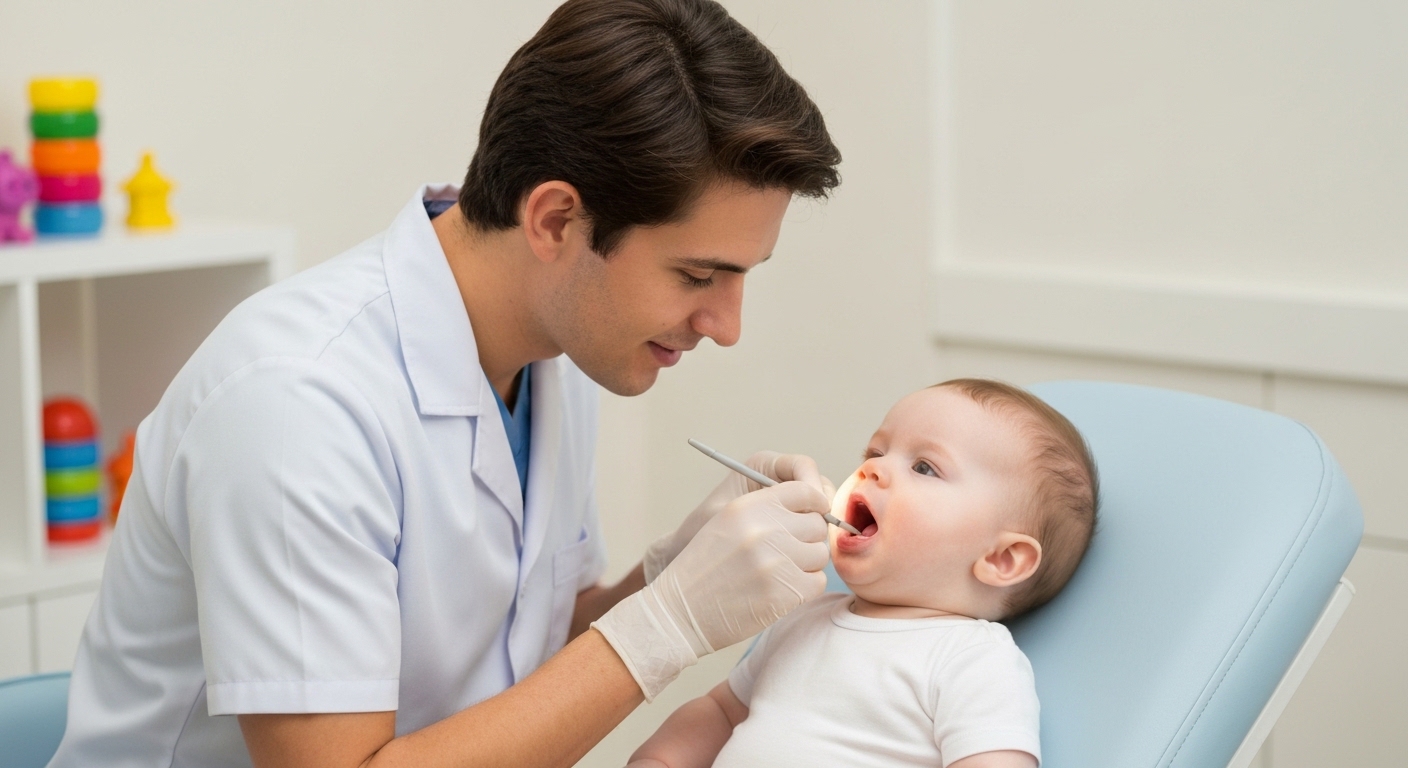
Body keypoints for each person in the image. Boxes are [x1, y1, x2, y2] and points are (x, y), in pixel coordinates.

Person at [47, 1, 844, 766]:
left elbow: (522, 652)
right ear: (557, 221)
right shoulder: (296, 403)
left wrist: (669, 575)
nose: (726, 325)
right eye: (698, 273)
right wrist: (667, 626)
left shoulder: (561, 350)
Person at [627, 379, 1101, 768]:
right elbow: (721, 711)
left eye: (924, 467)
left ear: (1001, 560)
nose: (874, 468)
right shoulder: (803, 616)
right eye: (876, 450)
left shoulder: (971, 658)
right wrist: (662, 760)